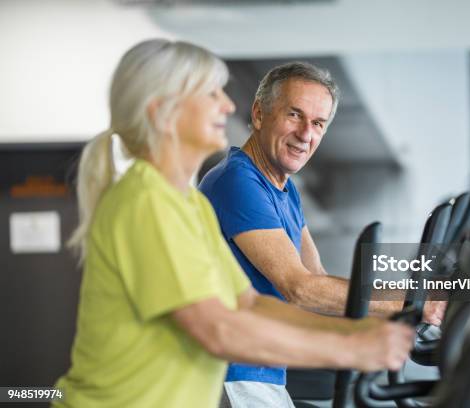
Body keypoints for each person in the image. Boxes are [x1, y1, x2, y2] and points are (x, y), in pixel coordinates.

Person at [52, 39, 413, 408]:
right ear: (163, 111)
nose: (226, 105)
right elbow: (216, 328)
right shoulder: (148, 201)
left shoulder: (187, 202)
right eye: (210, 94)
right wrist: (351, 347)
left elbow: (250, 304)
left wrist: (362, 330)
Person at [199, 62, 446, 407]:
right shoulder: (237, 181)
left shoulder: (285, 189)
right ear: (258, 114)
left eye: (317, 123)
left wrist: (402, 309)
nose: (305, 134)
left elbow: (317, 280)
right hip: (230, 376)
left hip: (262, 373)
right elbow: (299, 287)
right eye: (294, 115)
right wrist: (412, 301)